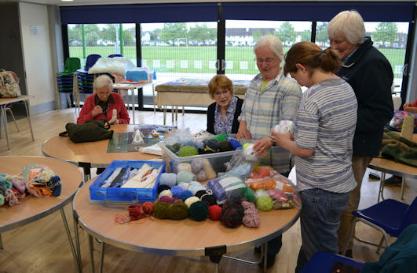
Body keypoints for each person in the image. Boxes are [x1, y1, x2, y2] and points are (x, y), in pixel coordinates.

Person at [271, 41, 358, 272]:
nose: (297, 83)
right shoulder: (345, 87)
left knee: (321, 252)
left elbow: (306, 150)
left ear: (301, 67)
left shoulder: (312, 96)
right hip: (340, 183)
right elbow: (331, 133)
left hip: (320, 187)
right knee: (316, 244)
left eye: (294, 76)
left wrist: (282, 140)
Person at [327, 10, 394, 257]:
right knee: (337, 200)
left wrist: (340, 118)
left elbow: (382, 112)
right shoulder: (348, 58)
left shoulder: (373, 63)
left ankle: (340, 254)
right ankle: (339, 246)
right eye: (331, 40)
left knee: (346, 203)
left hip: (357, 147)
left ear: (355, 38)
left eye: (339, 42)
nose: (333, 47)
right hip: (341, 144)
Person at [236, 34, 302, 268]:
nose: (263, 65)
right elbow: (244, 110)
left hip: (276, 157)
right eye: (259, 60)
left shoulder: (289, 87)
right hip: (252, 153)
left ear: (280, 59)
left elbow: (290, 123)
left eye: (268, 60)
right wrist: (242, 124)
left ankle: (271, 248)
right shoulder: (254, 81)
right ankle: (257, 240)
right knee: (253, 197)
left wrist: (270, 137)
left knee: (273, 204)